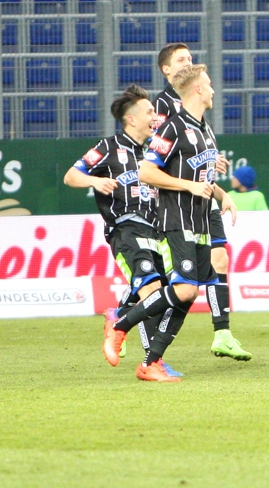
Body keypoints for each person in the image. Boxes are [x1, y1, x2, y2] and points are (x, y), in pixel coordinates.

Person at [103, 65, 241, 381]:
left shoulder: (205, 128)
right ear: (196, 89)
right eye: (208, 84)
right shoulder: (172, 127)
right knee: (184, 289)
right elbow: (147, 173)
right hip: (176, 220)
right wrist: (190, 187)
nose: (213, 90)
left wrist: (221, 195)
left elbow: (200, 176)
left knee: (188, 293)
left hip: (202, 220)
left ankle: (151, 363)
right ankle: (121, 325)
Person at [63, 85, 181, 380]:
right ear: (131, 119)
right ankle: (152, 363)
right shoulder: (108, 147)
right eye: (150, 111)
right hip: (125, 229)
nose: (156, 116)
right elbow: (71, 175)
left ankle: (118, 316)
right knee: (151, 292)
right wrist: (94, 183)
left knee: (162, 295)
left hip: (157, 231)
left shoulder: (155, 149)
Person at [154, 43, 251, 361]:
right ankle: (134, 318)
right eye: (181, 60)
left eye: (190, 59)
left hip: (203, 197)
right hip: (176, 204)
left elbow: (195, 152)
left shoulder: (199, 113)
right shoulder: (164, 108)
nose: (188, 63)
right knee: (181, 282)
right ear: (166, 70)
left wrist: (214, 169)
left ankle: (222, 333)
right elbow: (157, 158)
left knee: (219, 260)